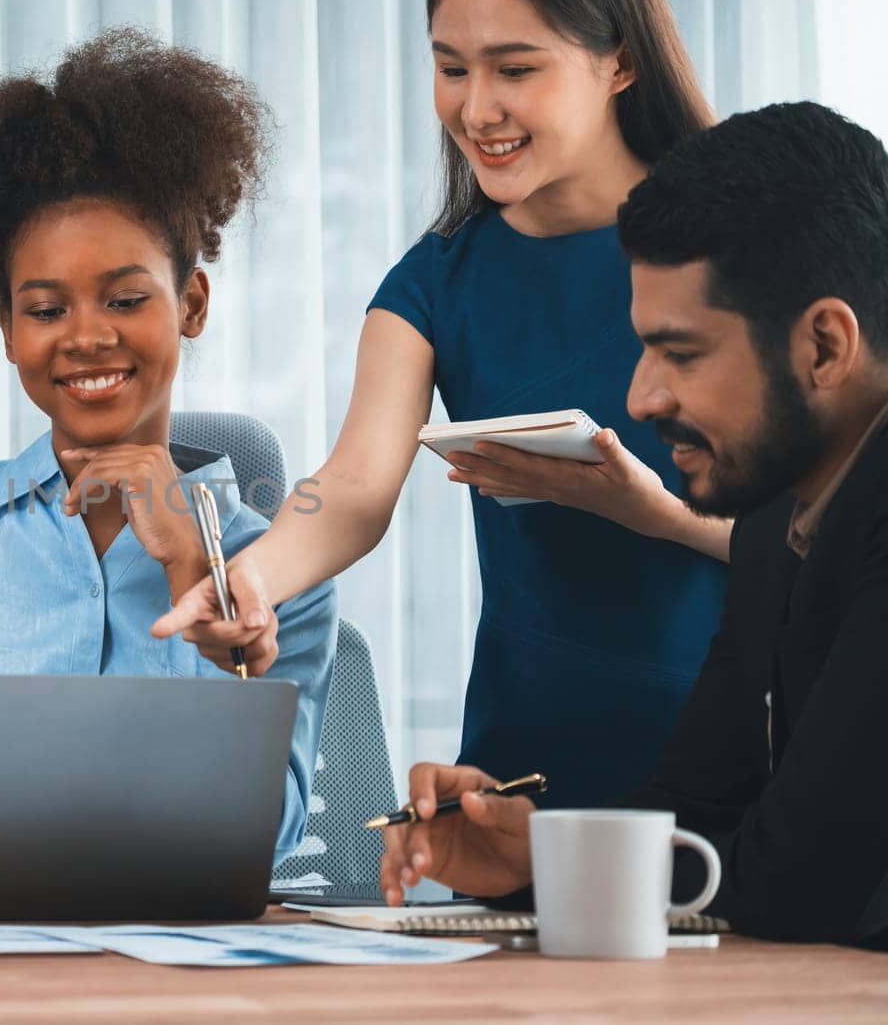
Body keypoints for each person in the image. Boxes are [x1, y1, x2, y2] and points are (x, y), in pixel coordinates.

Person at [157, 0, 728, 808]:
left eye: (515, 68)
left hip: (741, 758)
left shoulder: (739, 246)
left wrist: (652, 512)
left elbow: (825, 528)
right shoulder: (436, 280)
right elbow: (351, 487)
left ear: (620, 61)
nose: (475, 108)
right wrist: (253, 580)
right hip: (519, 787)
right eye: (451, 67)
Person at [0, 30, 338, 882]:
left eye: (126, 298)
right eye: (45, 309)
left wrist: (192, 564)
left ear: (190, 303)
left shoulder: (277, 570)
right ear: (10, 330)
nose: (87, 337)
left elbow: (260, 838)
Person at [379, 102, 888, 948]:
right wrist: (536, 854)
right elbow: (689, 816)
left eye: (681, 353)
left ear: (826, 346)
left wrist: (573, 858)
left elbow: (799, 876)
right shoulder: (775, 522)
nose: (643, 397)